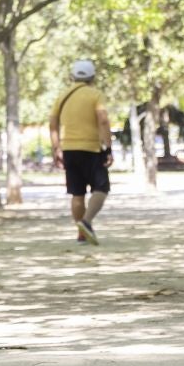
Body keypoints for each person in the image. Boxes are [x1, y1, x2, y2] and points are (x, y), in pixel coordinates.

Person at [49, 59, 113, 245]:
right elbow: (102, 120)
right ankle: (86, 222)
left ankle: (81, 234)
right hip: (91, 148)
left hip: (69, 148)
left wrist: (56, 148)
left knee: (77, 193)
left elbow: (53, 123)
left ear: (72, 76)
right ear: (93, 77)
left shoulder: (62, 96)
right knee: (101, 188)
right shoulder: (96, 95)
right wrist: (108, 147)